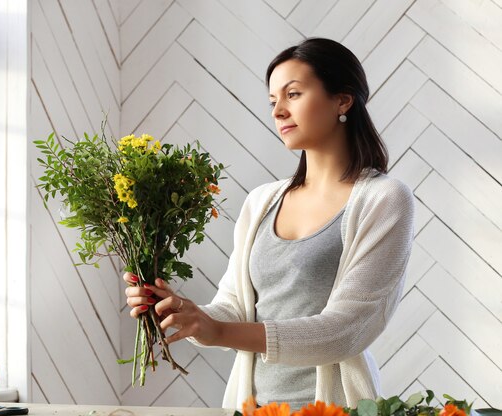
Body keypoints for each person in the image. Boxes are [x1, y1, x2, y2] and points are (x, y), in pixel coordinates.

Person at [123, 37, 414, 410]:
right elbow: (233, 309)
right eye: (273, 101)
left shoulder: (385, 198)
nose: (278, 112)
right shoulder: (262, 202)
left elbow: (347, 329)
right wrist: (183, 312)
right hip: (250, 406)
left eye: (293, 94)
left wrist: (220, 331)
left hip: (337, 406)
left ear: (343, 100)